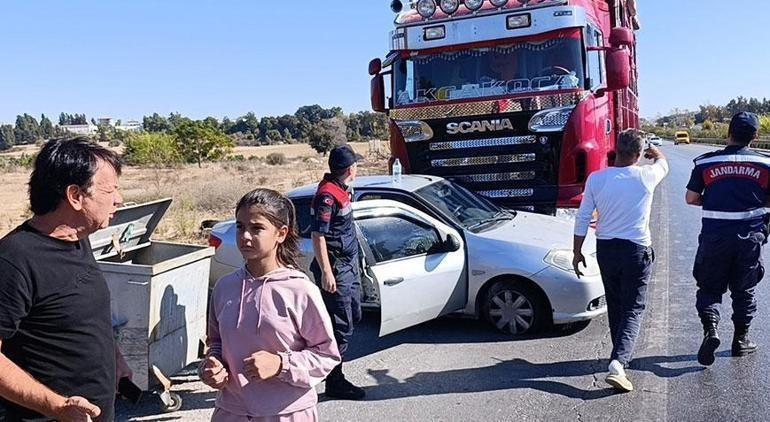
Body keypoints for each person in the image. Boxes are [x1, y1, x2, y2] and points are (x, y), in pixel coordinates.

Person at [0, 137, 132, 421]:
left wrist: (115, 358)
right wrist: (56, 406)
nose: (118, 199)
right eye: (110, 190)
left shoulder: (78, 239)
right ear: (75, 196)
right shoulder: (14, 260)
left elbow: (84, 315)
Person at [200, 188, 340, 421]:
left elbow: (327, 354)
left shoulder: (299, 290)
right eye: (240, 226)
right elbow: (216, 342)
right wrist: (212, 366)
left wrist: (280, 364)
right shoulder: (224, 288)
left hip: (287, 413)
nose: (245, 236)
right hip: (231, 411)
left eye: (257, 228)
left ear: (281, 233)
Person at [573, 129, 669, 392]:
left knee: (616, 305)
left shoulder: (596, 179)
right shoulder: (646, 176)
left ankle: (618, 355)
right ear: (639, 154)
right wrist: (656, 152)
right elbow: (663, 164)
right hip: (636, 251)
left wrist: (577, 251)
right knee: (634, 308)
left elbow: (582, 217)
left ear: (616, 150)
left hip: (606, 250)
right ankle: (618, 362)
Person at [686, 111, 766, 366]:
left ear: (728, 133)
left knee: (709, 288)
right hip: (749, 238)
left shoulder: (704, 163)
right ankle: (741, 340)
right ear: (755, 136)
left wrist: (711, 200)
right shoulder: (765, 164)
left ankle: (711, 330)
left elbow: (690, 198)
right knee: (744, 290)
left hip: (715, 237)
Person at [309, 144, 366, 400]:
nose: (357, 168)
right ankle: (334, 381)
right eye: (355, 164)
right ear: (350, 168)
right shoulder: (327, 195)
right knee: (340, 327)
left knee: (353, 316)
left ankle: (330, 371)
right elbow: (318, 235)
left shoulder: (343, 190)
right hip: (336, 268)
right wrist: (327, 273)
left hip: (348, 265)